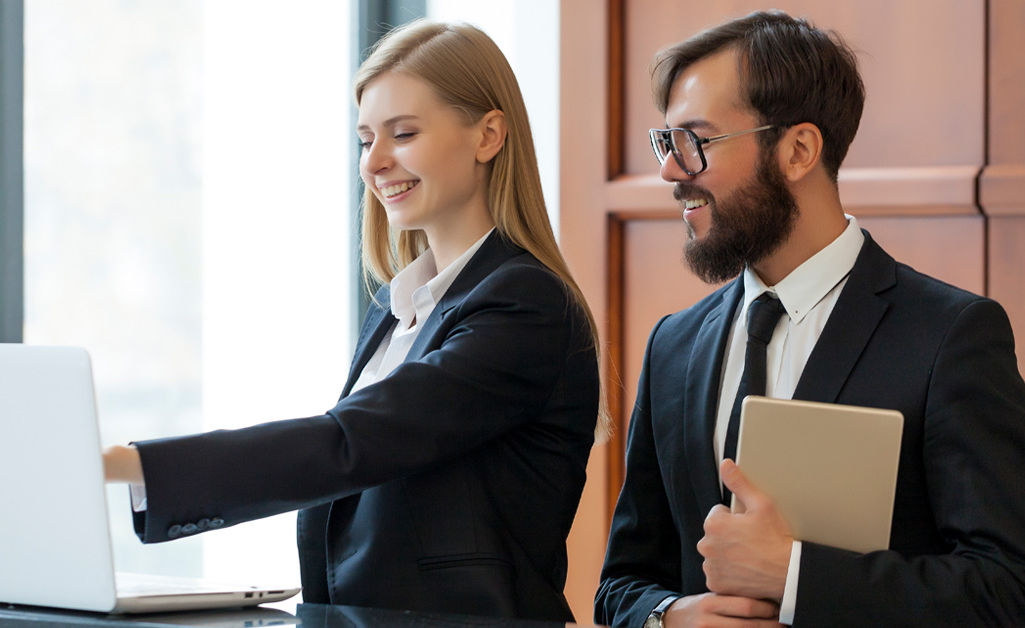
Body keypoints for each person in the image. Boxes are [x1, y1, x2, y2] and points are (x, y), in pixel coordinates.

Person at [102, 20, 606, 621]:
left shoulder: (526, 305)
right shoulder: (398, 309)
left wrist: (121, 464)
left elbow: (351, 443)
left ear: (488, 135)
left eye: (405, 133)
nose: (375, 162)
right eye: (366, 139)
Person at [594, 10, 1025, 628]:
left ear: (798, 150)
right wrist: (668, 617)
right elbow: (620, 585)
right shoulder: (674, 345)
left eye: (695, 142)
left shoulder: (951, 336)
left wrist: (795, 575)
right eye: (666, 142)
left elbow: (1007, 589)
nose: (669, 170)